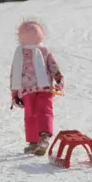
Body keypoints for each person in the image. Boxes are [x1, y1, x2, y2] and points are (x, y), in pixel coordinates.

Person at [10, 20, 64, 156]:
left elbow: (14, 74)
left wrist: (14, 93)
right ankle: (40, 139)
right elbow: (53, 66)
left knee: (31, 115)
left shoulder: (20, 53)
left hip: (30, 90)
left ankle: (37, 140)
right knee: (42, 112)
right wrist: (58, 79)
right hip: (42, 88)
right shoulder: (42, 51)